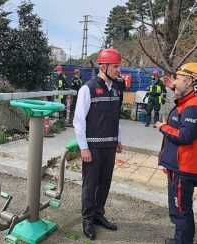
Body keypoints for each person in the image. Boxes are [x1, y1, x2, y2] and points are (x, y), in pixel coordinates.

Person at [73, 48, 123, 240]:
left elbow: (116, 117)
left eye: (119, 65)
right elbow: (79, 120)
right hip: (93, 148)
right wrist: (83, 147)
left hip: (109, 147)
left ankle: (98, 215)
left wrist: (118, 139)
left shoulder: (116, 89)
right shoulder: (88, 88)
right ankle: (87, 220)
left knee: (105, 183)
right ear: (103, 66)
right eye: (116, 66)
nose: (119, 70)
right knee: (90, 185)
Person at [155, 63, 197, 244]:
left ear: (190, 81)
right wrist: (174, 89)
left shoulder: (192, 106)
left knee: (180, 211)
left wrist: (163, 127)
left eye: (178, 79)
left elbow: (185, 135)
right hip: (179, 165)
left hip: (184, 168)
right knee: (182, 209)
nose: (174, 83)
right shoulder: (186, 102)